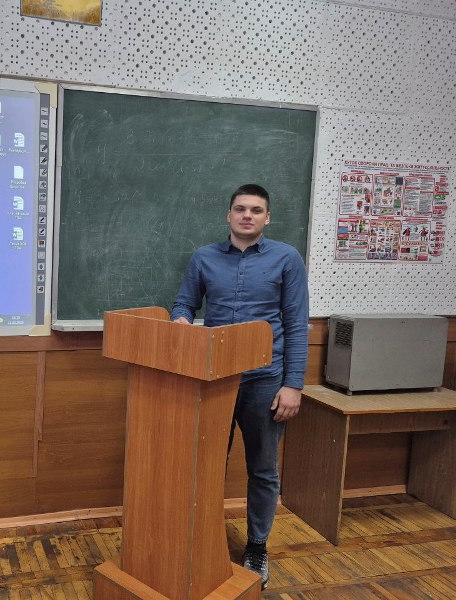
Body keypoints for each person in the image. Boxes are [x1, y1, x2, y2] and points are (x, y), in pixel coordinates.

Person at [171, 184, 309, 589]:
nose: (247, 215)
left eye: (256, 210)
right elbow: (184, 303)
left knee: (263, 469)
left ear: (267, 217)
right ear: (229, 215)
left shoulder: (287, 258)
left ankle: (257, 547)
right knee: (207, 465)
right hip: (214, 379)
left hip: (265, 380)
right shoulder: (204, 257)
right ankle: (204, 537)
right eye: (240, 209)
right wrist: (181, 320)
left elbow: (296, 324)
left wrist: (293, 385)